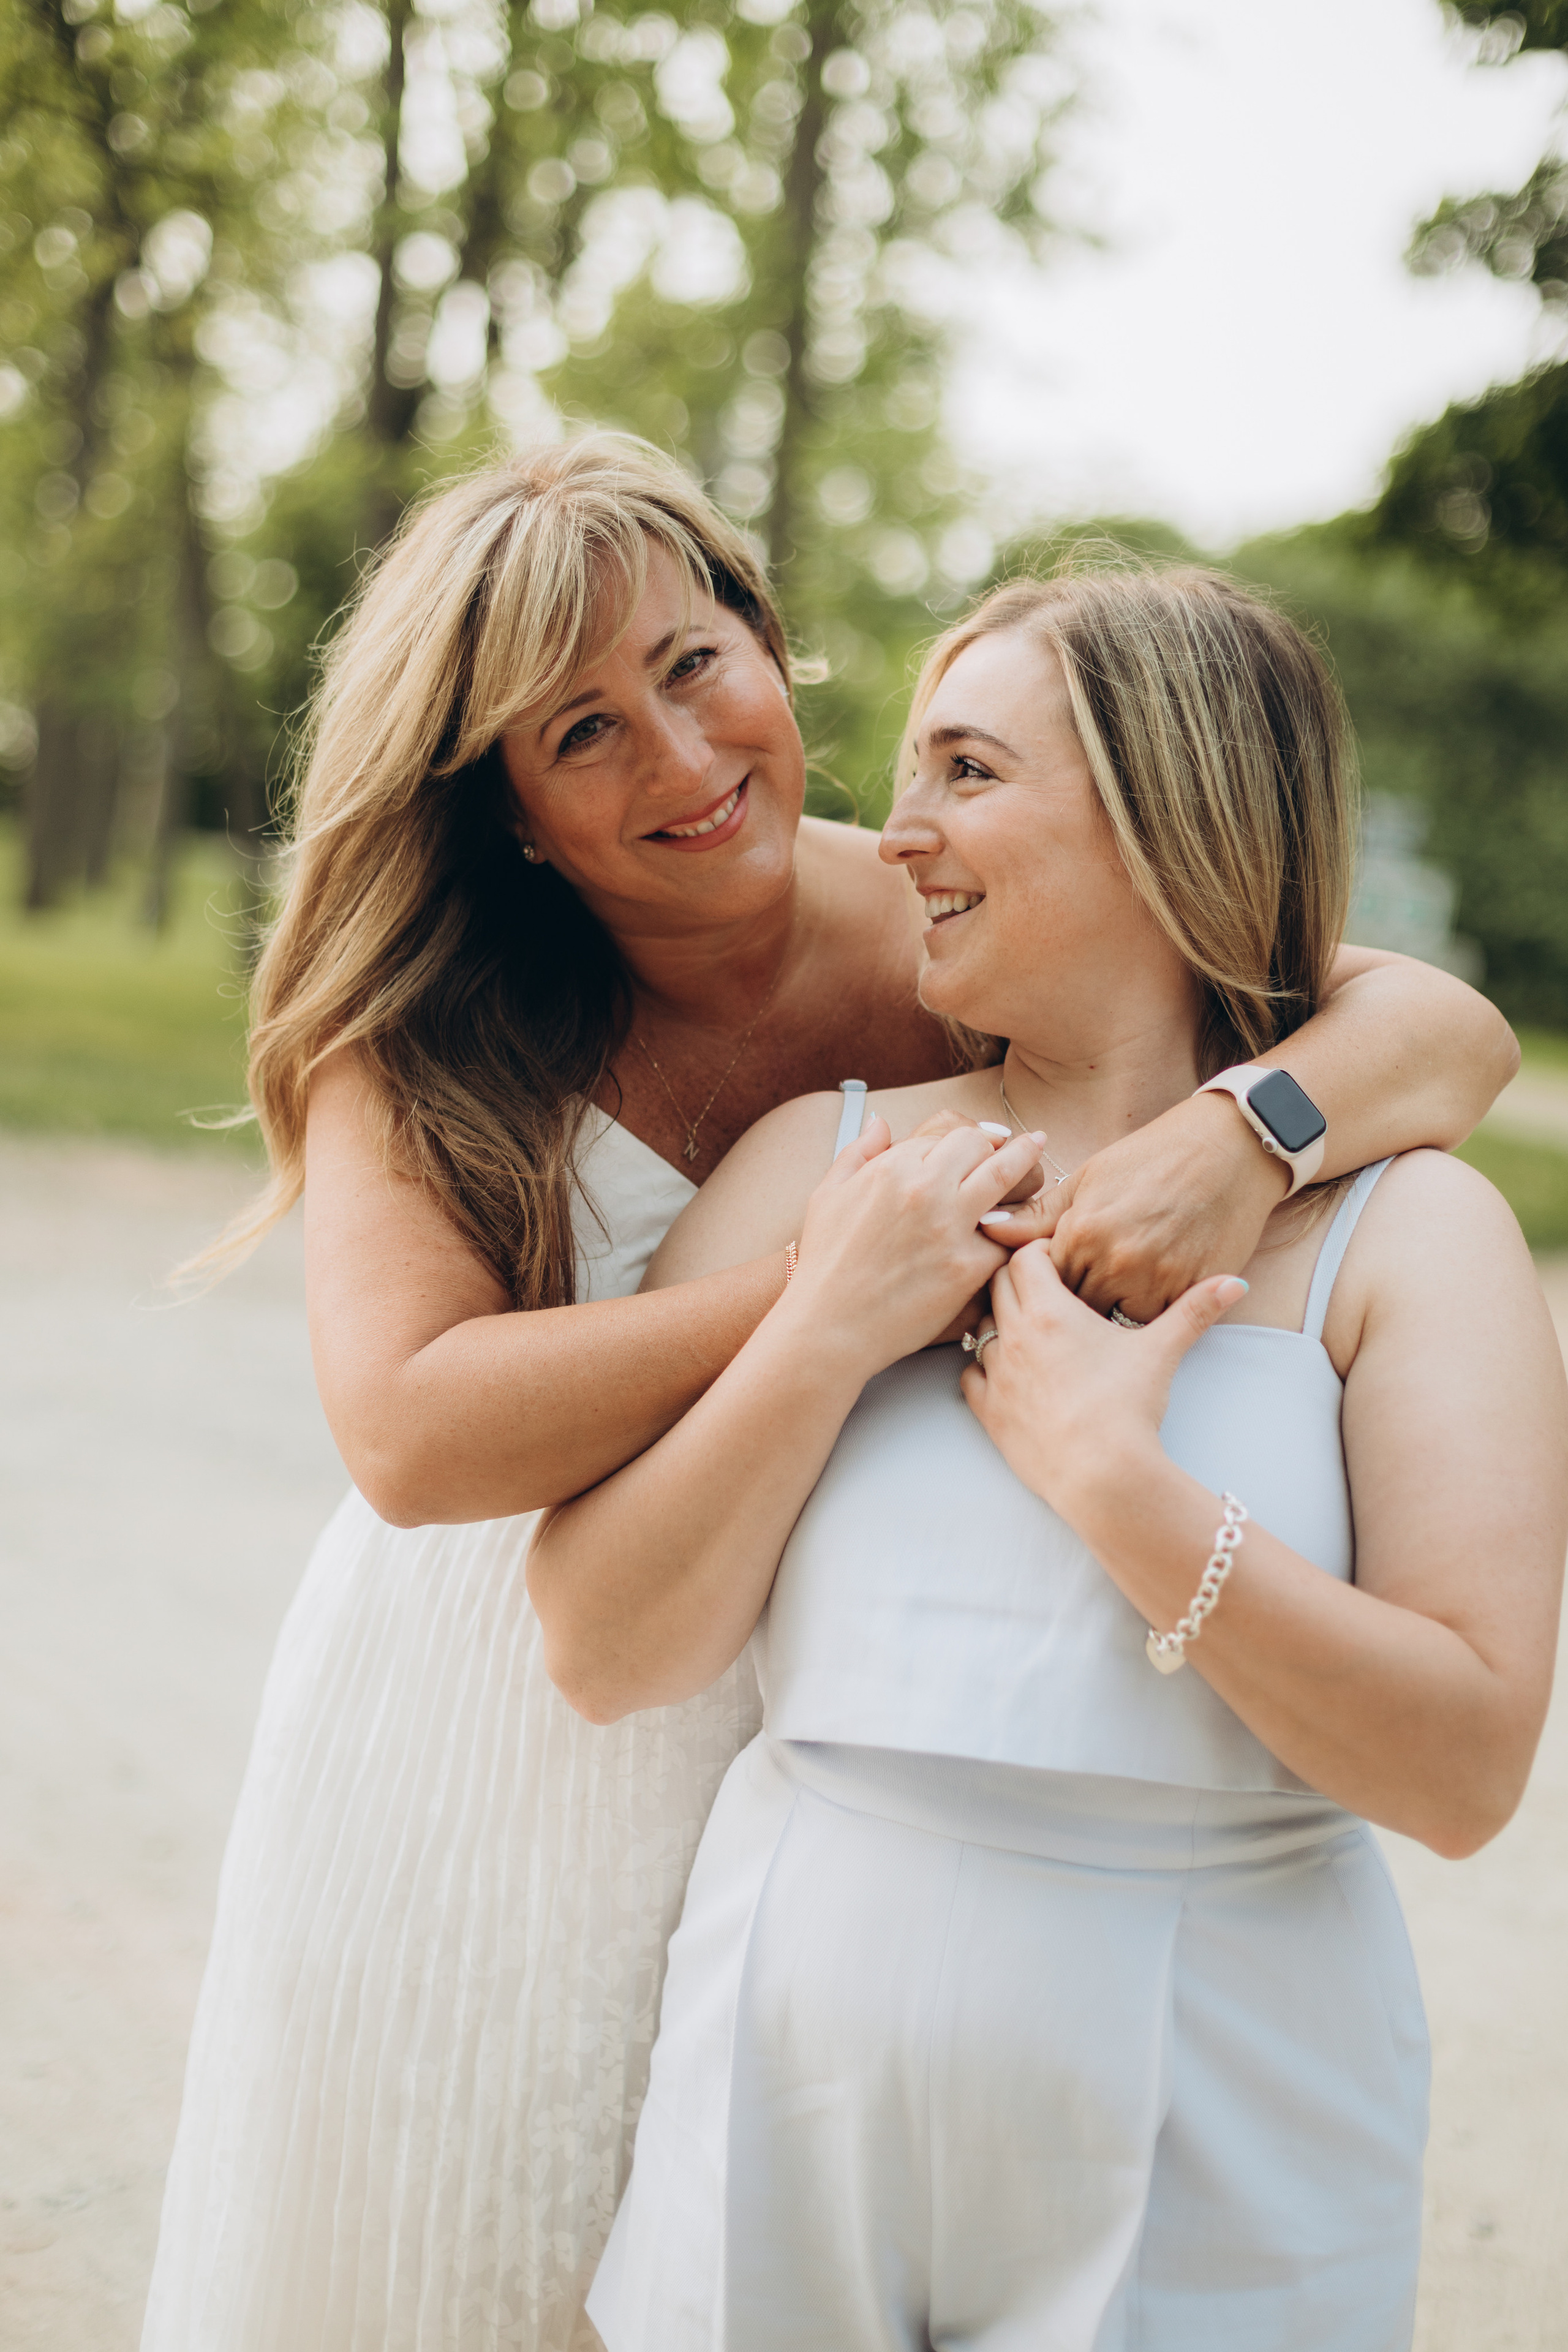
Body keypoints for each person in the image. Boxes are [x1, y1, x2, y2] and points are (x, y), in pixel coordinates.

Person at [143, 443, 1517, 2352]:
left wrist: (1248, 1131)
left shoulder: (951, 917)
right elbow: (413, 1437)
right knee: (449, 2246)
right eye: (582, 734)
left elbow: (1431, 1023)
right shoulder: (446, 1029)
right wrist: (821, 1297)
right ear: (510, 811)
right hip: (514, 1689)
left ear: (771, 648)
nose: (684, 765)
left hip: (819, 1696)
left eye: (695, 667)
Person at [529, 564, 1568, 2352]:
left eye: (966, 773)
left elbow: (1466, 1767)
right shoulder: (816, 1163)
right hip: (790, 2065)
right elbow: (605, 1650)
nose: (897, 831)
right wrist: (830, 1329)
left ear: (1172, 818)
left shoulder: (1414, 1235)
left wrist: (1120, 1490)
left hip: (1223, 2101)